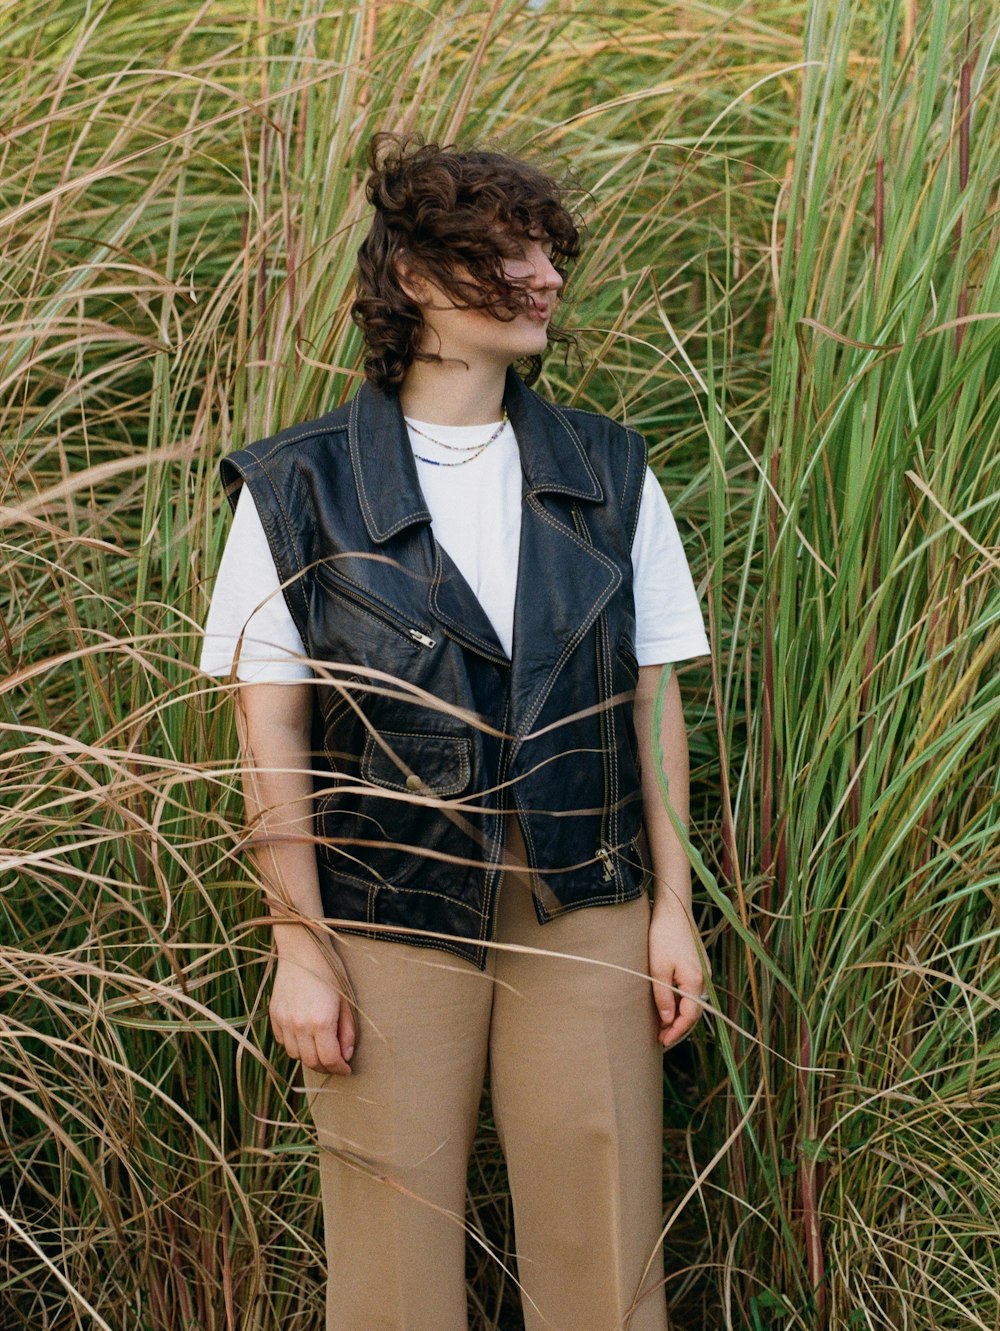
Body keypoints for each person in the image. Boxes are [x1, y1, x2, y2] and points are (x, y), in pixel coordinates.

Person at [200, 131, 711, 1331]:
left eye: (548, 251)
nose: (543, 275)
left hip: (582, 897)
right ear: (417, 281)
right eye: (506, 253)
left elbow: (652, 695)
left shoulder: (609, 468)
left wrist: (672, 905)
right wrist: (299, 945)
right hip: (384, 905)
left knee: (607, 1247)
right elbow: (266, 726)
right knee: (390, 1262)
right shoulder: (296, 486)